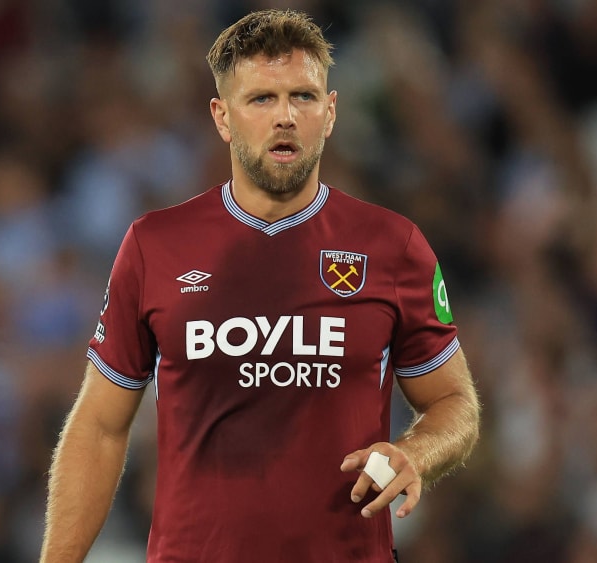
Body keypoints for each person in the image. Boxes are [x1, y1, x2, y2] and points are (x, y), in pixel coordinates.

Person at [41, 9, 480, 562]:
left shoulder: (393, 246)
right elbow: (101, 426)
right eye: (262, 99)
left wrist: (416, 452)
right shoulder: (155, 246)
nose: (286, 117)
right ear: (222, 117)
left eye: (303, 97)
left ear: (330, 112)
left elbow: (454, 402)